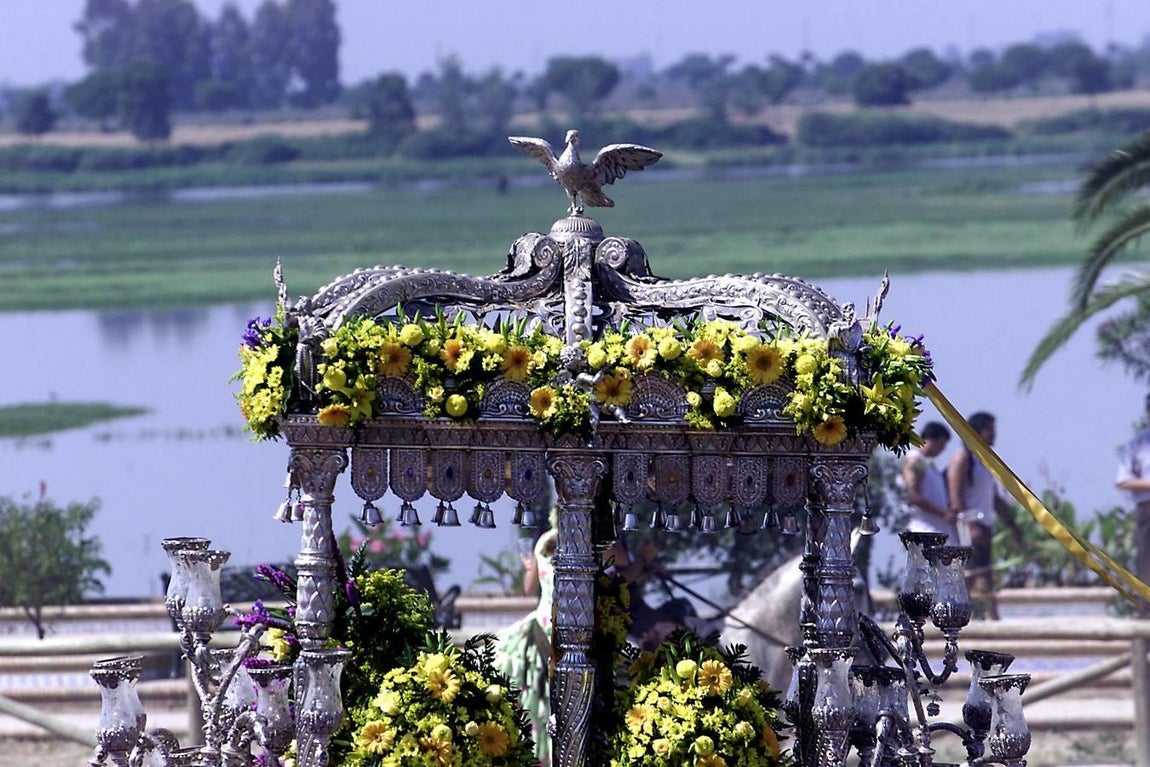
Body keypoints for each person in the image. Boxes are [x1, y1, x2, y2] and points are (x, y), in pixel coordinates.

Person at [946, 411, 1023, 621]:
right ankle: (957, 616)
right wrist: (969, 525)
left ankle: (992, 618)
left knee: (985, 574)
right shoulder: (963, 458)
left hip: (984, 524)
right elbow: (955, 495)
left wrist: (1012, 525)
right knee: (970, 576)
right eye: (990, 429)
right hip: (970, 526)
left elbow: (995, 500)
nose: (994, 434)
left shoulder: (984, 461)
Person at [494, 528, 557, 765]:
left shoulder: (545, 541)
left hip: (543, 624)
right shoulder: (589, 536)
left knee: (538, 694)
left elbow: (529, 589)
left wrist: (531, 566)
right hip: (565, 628)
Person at [1114, 394, 1150, 618]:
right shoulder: (1138, 445)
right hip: (1147, 509)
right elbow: (1122, 480)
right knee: (1147, 566)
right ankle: (1147, 616)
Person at [900, 420, 958, 542]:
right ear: (931, 439)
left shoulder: (927, 464)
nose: (941, 450)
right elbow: (913, 496)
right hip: (923, 530)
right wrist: (944, 513)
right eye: (941, 445)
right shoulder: (915, 461)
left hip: (936, 530)